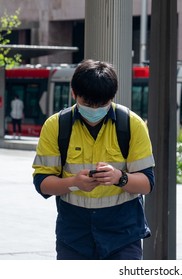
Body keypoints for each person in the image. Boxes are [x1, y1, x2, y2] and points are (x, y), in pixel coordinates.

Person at [32, 59, 155, 260]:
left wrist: (119, 178)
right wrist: (73, 183)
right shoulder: (56, 126)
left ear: (112, 96)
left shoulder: (132, 124)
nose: (95, 109)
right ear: (74, 93)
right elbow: (42, 184)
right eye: (88, 103)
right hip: (74, 236)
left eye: (102, 104)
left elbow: (147, 184)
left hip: (123, 236)